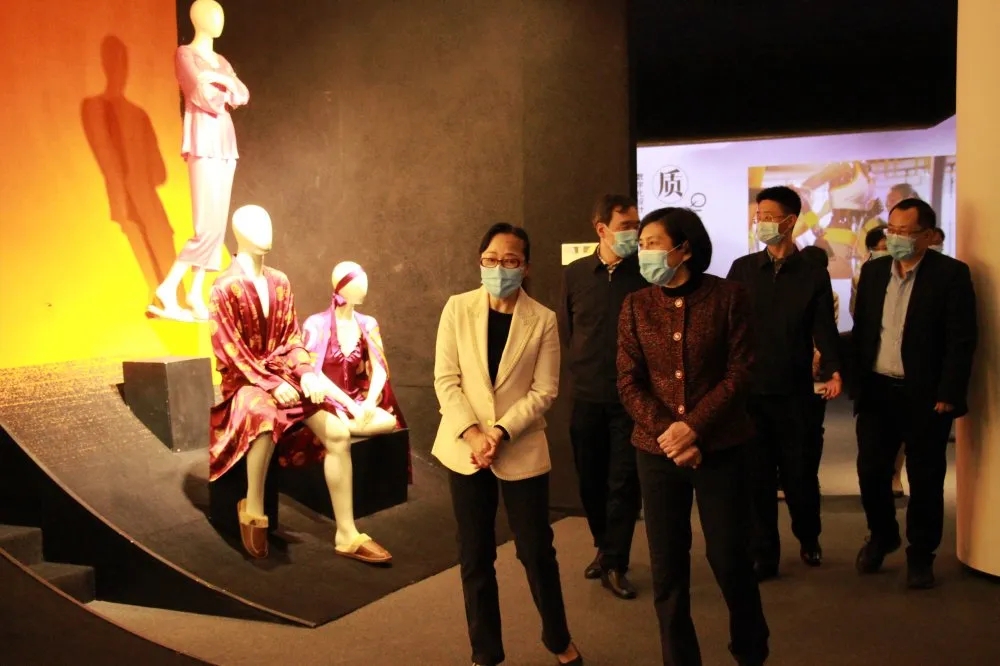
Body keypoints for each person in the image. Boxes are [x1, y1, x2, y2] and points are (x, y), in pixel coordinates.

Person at [618, 207, 769, 666]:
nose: (643, 252)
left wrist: (694, 428)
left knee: (729, 557)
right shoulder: (636, 304)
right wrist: (670, 433)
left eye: (652, 243)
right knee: (667, 567)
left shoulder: (729, 297)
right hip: (657, 451)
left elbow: (740, 372)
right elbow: (628, 380)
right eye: (641, 244)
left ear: (684, 248)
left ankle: (750, 649)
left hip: (721, 447)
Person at [432, 223, 583, 666]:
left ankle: (558, 638)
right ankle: (485, 652)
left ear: (526, 266)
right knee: (474, 554)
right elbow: (446, 380)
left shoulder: (543, 319)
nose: (500, 268)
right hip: (464, 448)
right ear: (480, 262)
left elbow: (545, 390)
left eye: (511, 260)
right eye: (492, 259)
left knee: (536, 550)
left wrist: (499, 432)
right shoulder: (457, 308)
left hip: (519, 445)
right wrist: (473, 433)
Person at [851, 198, 977, 589]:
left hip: (925, 394)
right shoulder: (873, 272)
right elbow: (864, 329)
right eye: (892, 229)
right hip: (877, 389)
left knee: (925, 478)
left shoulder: (950, 274)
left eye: (906, 232)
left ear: (929, 235)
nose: (896, 238)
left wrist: (949, 391)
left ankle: (921, 554)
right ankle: (882, 534)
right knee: (871, 471)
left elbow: (961, 339)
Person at [727, 186, 842, 581]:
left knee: (800, 476)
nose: (760, 222)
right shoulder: (743, 269)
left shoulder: (812, 272)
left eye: (768, 216)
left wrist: (833, 368)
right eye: (758, 216)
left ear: (790, 221)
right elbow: (728, 326)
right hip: (751, 393)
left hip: (795, 394)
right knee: (757, 478)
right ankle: (765, 554)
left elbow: (823, 327)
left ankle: (808, 536)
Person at [557, 194, 647, 599]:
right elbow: (566, 330)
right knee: (590, 480)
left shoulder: (644, 273)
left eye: (636, 225)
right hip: (586, 396)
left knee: (623, 482)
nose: (634, 233)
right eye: (626, 226)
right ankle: (603, 546)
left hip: (632, 398)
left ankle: (615, 561)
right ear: (601, 229)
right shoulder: (575, 274)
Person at [800, 246, 840, 505]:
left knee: (812, 429)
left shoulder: (829, 295)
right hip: (793, 374)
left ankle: (808, 476)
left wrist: (818, 360)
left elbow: (826, 330)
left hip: (818, 373)